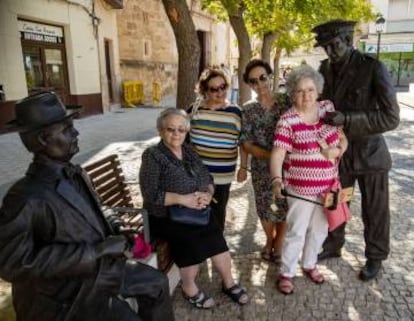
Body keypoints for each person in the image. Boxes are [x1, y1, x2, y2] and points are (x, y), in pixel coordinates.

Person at [0, 92, 175, 321]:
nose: (76, 133)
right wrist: (97, 251)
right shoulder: (25, 196)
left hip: (98, 271)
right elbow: (12, 264)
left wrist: (117, 227)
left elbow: (98, 210)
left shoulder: (76, 172)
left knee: (158, 283)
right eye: (67, 129)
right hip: (66, 293)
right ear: (43, 139)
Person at [312, 20, 400, 281]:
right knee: (335, 201)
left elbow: (391, 118)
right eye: (325, 47)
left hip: (371, 154)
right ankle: (333, 243)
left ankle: (376, 256)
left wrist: (348, 120)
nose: (330, 52)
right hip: (339, 154)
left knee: (375, 210)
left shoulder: (372, 67)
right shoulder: (324, 69)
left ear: (348, 40)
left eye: (335, 45)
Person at [139, 108, 248, 309]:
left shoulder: (189, 151)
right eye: (170, 129)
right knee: (189, 239)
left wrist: (207, 193)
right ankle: (189, 288)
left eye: (181, 129)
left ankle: (229, 283)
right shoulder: (153, 155)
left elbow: (207, 177)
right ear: (160, 130)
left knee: (215, 233)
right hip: (165, 216)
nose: (176, 134)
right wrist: (184, 199)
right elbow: (150, 193)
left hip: (193, 210)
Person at [270, 65, 348, 294]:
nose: (306, 95)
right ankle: (287, 272)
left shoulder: (328, 110)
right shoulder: (288, 120)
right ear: (292, 93)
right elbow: (278, 153)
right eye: (300, 91)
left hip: (329, 186)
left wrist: (338, 151)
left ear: (318, 91)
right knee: (296, 230)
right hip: (300, 189)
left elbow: (343, 138)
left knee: (320, 229)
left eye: (311, 90)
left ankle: (310, 264)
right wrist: (276, 179)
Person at [237, 59, 289, 264]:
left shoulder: (287, 102)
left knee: (283, 205)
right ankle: (270, 239)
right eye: (253, 81)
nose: (260, 84)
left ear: (270, 76)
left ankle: (280, 242)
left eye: (263, 78)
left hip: (288, 168)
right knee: (265, 207)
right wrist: (243, 166)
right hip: (260, 168)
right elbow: (246, 144)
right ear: (249, 85)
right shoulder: (248, 109)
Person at [188, 68, 242, 231]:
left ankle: (217, 250)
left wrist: (244, 167)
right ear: (204, 90)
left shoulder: (235, 112)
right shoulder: (194, 110)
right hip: (197, 175)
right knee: (196, 212)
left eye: (223, 87)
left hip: (222, 176)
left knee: (218, 214)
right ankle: (199, 250)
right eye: (214, 89)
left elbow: (244, 142)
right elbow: (182, 138)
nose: (220, 92)